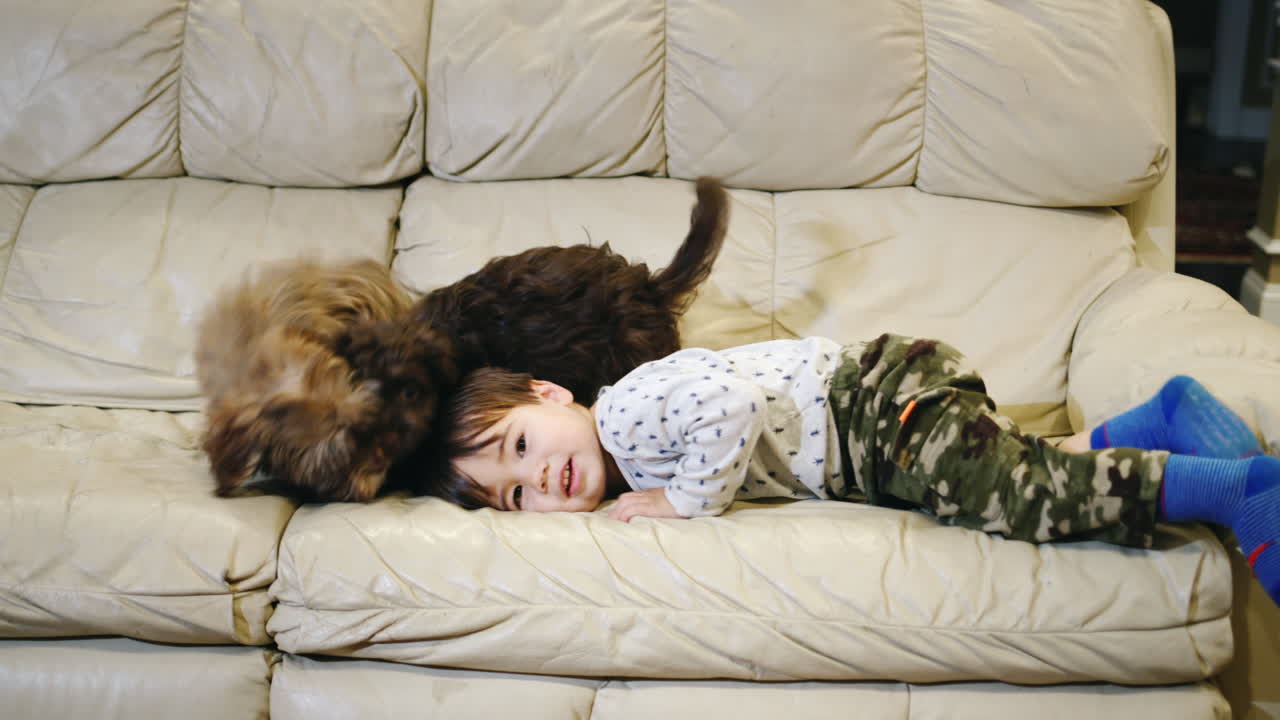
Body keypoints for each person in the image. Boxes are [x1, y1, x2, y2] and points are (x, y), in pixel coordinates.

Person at [424, 333, 1280, 606]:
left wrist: (683, 502)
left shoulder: (623, 416)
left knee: (1008, 496)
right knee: (1018, 469)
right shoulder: (620, 451)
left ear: (550, 392)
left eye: (521, 445)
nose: (540, 479)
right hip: (870, 438)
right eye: (515, 496)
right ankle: (1164, 419)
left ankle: (1236, 492)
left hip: (869, 407)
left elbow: (732, 407)